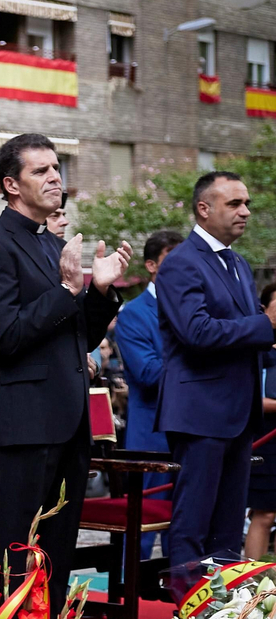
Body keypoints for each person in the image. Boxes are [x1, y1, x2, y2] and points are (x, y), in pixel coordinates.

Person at [0, 133, 129, 611]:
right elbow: (7, 335)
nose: (55, 176)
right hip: (23, 425)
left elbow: (79, 335)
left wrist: (97, 292)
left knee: (56, 554)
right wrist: (66, 290)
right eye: (41, 170)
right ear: (12, 184)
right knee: (19, 555)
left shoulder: (47, 243)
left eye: (56, 167)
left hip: (68, 420)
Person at [155, 171, 276, 597]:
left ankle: (224, 615)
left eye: (246, 203)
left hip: (239, 412)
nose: (245, 211)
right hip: (200, 411)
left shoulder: (238, 262)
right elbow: (196, 332)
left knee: (228, 524)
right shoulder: (181, 263)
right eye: (234, 204)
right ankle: (187, 617)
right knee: (193, 522)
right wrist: (266, 324)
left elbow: (248, 336)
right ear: (204, 209)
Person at [114, 230, 184, 563]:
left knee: (186, 523)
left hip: (192, 429)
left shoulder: (195, 307)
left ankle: (183, 590)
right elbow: (147, 374)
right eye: (174, 259)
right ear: (152, 265)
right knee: (143, 523)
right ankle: (131, 592)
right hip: (152, 433)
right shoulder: (134, 313)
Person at [246, 315, 276, 560]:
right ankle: (251, 585)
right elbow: (253, 398)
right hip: (265, 440)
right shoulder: (261, 349)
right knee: (264, 513)